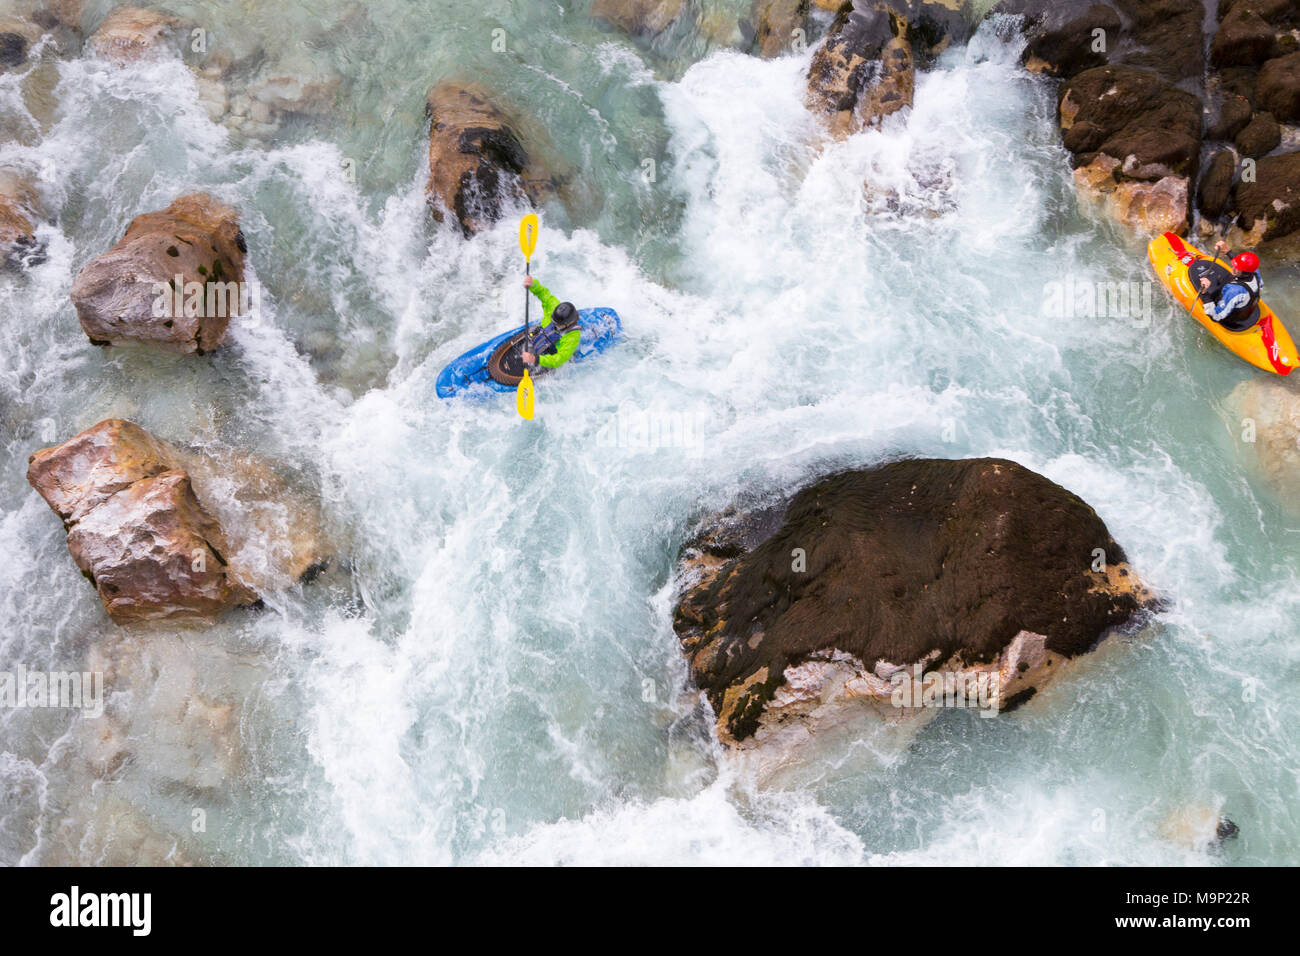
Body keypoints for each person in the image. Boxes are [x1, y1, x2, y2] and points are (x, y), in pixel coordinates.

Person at [1197, 240, 1263, 332]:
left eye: (1237, 268)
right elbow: (1245, 266)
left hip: (1232, 320)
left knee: (1220, 288)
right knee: (1227, 278)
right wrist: (1227, 252)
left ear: (1244, 272)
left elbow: (1216, 316)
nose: (1233, 268)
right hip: (1247, 310)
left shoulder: (1234, 291)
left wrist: (1204, 293)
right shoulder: (1255, 272)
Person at [520, 276, 581, 369]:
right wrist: (533, 284)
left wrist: (535, 359)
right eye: (553, 321)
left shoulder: (572, 337)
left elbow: (559, 359)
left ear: (568, 324)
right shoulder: (554, 307)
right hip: (540, 337)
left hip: (549, 355)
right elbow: (543, 293)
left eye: (558, 325)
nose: (555, 325)